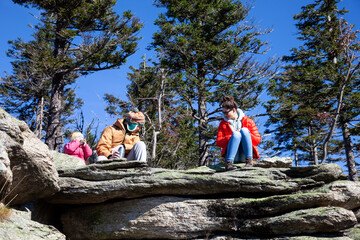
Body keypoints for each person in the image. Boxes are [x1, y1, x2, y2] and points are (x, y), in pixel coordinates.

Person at [216, 96, 261, 171]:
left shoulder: (248, 121)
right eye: (223, 112)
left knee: (244, 130)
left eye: (226, 112)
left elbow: (257, 140)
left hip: (244, 154)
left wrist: (246, 134)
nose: (225, 114)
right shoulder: (223, 123)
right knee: (236, 135)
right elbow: (219, 142)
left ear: (233, 110)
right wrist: (231, 136)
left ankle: (249, 161)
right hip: (233, 155)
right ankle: (229, 163)